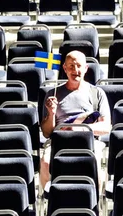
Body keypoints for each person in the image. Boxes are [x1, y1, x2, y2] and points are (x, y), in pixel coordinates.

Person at [40, 50, 112, 188]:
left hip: (88, 140)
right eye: (71, 66)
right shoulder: (52, 94)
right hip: (59, 140)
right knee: (45, 162)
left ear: (85, 69)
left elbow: (106, 126)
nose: (75, 70)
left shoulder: (97, 93)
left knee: (95, 163)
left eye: (79, 66)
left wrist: (80, 129)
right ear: (65, 69)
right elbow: (47, 132)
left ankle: (93, 204)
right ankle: (49, 203)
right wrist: (51, 113)